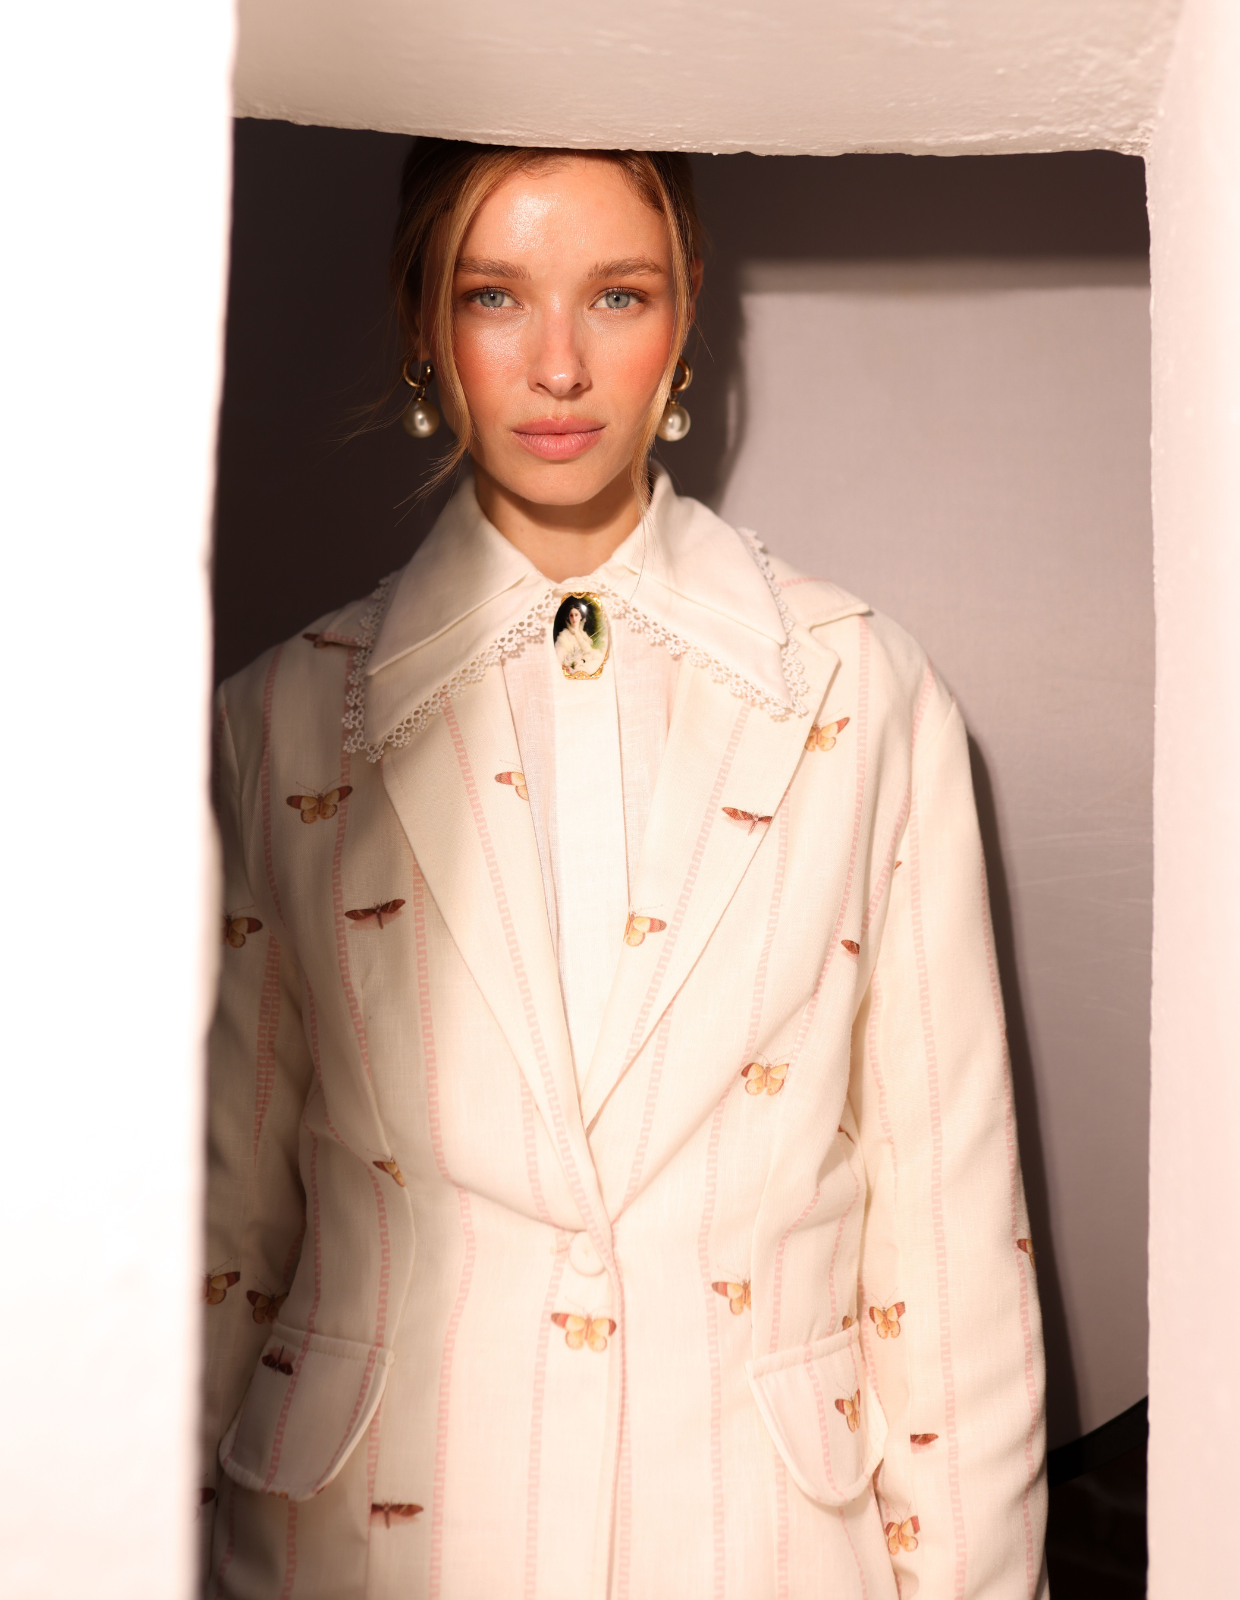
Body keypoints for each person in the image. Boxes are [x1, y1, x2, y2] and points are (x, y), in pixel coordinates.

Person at [202, 139, 1047, 1599]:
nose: (558, 366)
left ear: (687, 306)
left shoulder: (862, 693)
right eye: (492, 295)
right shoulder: (277, 720)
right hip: (363, 1548)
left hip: (753, 1546)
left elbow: (948, 1237)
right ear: (421, 322)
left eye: (617, 295)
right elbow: (217, 1225)